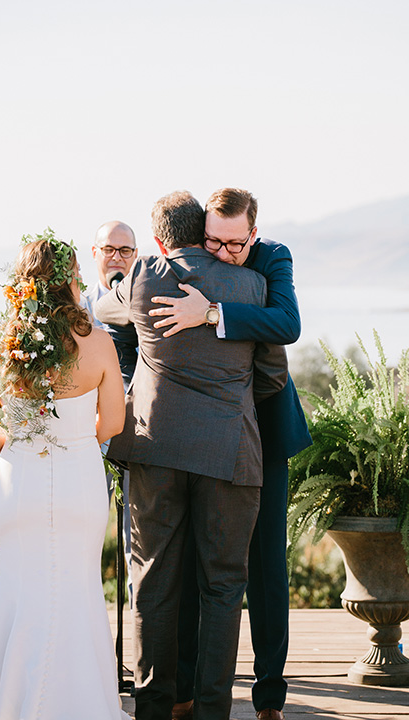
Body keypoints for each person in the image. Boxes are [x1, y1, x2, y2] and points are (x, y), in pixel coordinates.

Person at [95, 191, 288, 720]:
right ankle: (212, 712)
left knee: (153, 581)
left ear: (158, 240)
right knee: (224, 587)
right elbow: (272, 375)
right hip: (229, 453)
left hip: (156, 449)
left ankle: (153, 708)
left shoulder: (143, 278)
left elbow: (102, 306)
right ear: (202, 230)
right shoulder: (252, 285)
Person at [149, 188, 312, 720]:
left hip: (263, 428)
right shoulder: (196, 261)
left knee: (266, 565)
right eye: (211, 241)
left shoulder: (272, 260)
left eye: (234, 245)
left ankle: (269, 699)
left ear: (254, 234)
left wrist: (212, 311)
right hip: (209, 438)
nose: (221, 254)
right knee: (204, 566)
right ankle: (189, 691)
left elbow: (287, 324)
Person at [0, 230, 129, 720]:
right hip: (80, 481)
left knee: (14, 586)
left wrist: (26, 450)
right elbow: (112, 424)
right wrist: (71, 445)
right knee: (77, 590)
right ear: (70, 280)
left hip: (18, 482)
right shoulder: (98, 345)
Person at [84, 219, 139, 605]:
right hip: (87, 441)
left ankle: (142, 656)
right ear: (95, 254)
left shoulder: (147, 304)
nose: (116, 257)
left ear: (136, 257)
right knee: (83, 541)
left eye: (125, 251)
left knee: (138, 546)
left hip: (140, 438)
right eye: (109, 249)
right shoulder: (77, 310)